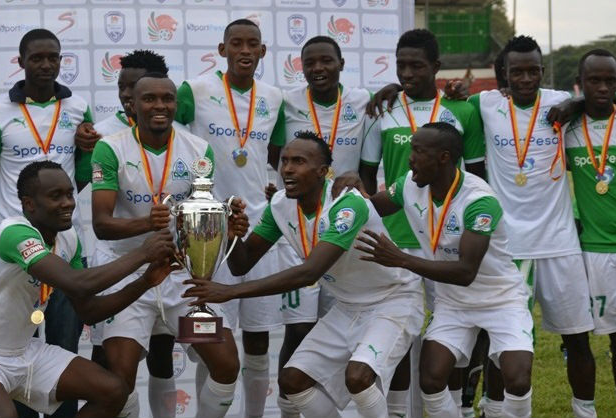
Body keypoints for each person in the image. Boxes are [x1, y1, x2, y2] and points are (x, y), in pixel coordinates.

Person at [183, 131, 423, 418]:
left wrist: (231, 291)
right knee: (292, 381)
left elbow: (311, 272)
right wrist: (232, 235)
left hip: (393, 301)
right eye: (284, 161)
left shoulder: (347, 204)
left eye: (299, 161)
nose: (287, 169)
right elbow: (241, 265)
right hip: (348, 306)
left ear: (323, 171)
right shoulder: (280, 205)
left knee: (358, 377)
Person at [0, 160, 179, 418]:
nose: (68, 203)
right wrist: (143, 253)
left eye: (69, 194)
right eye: (56, 196)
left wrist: (145, 282)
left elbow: (89, 311)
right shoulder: (14, 233)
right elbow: (77, 282)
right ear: (29, 204)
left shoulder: (68, 238)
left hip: (26, 352)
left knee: (113, 391)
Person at [91, 72, 243, 418]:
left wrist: (229, 224)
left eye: (167, 98)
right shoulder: (110, 147)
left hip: (178, 277)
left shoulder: (198, 151)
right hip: (128, 275)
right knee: (119, 379)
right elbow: (101, 224)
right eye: (149, 99)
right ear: (132, 105)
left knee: (225, 364)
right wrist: (148, 223)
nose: (159, 106)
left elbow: (201, 217)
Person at [357, 122, 534, 418]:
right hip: (453, 303)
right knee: (431, 380)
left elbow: (465, 272)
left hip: (501, 300)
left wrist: (401, 259)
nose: (410, 158)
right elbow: (370, 208)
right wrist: (347, 194)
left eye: (418, 151)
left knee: (517, 380)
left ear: (444, 157)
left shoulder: (479, 201)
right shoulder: (409, 185)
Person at [462, 36, 596, 418]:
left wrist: (576, 104)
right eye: (516, 71)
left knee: (577, 339)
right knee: (503, 342)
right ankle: (493, 409)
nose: (525, 79)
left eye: (532, 71)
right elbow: (447, 101)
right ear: (503, 74)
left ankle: (586, 412)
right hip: (510, 248)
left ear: (542, 71)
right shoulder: (486, 103)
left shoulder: (559, 101)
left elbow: (606, 96)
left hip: (559, 244)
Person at [0, 29, 93, 417]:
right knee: (14, 350)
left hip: (63, 245)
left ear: (61, 61)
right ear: (21, 61)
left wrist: (56, 208)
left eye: (53, 57)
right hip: (15, 250)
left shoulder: (78, 108)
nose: (46, 65)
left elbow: (83, 173)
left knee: (64, 351)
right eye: (37, 58)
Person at [175, 19, 286, 416]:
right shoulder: (195, 90)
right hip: (206, 230)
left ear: (262, 51)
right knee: (209, 336)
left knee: (257, 338)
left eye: (252, 44)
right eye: (236, 43)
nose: (244, 51)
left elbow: (275, 156)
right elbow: (171, 140)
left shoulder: (274, 97)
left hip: (257, 229)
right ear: (222, 50)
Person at [276, 35, 374, 418]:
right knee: (298, 331)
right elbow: (273, 153)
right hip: (300, 220)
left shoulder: (363, 101)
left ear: (341, 64)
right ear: (301, 68)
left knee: (344, 327)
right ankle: (288, 412)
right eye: (310, 62)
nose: (318, 68)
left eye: (326, 61)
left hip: (342, 225)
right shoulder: (286, 102)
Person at [90, 50, 184, 418]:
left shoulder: (186, 141)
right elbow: (94, 210)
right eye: (123, 87)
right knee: (111, 362)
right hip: (118, 264)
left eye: (135, 87)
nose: (127, 95)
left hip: (168, 268)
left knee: (163, 353)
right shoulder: (100, 134)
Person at [560, 49, 616, 418]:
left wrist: (575, 101)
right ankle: (585, 411)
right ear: (579, 84)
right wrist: (573, 105)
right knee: (578, 339)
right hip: (590, 251)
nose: (602, 88)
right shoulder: (566, 128)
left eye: (610, 81)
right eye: (593, 81)